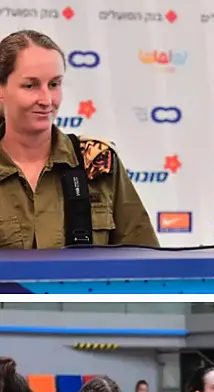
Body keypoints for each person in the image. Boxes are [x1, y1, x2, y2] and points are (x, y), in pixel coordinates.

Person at [0, 29, 158, 250]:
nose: (46, 100)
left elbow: (144, 264)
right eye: (30, 85)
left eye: (54, 84)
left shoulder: (97, 161)